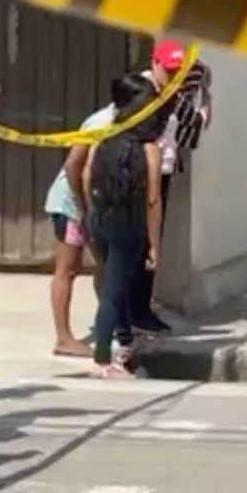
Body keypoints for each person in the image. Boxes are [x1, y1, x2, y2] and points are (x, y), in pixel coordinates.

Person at [86, 75, 164, 378]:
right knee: (114, 292)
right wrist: (154, 244)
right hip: (128, 226)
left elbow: (86, 175)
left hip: (101, 219)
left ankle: (124, 343)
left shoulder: (105, 136)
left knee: (112, 283)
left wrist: (90, 212)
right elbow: (153, 200)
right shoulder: (148, 148)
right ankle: (102, 358)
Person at [134, 39, 211, 333]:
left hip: (162, 172)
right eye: (169, 70)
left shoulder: (176, 96)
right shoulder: (142, 91)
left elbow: (196, 127)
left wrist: (204, 96)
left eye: (177, 72)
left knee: (153, 247)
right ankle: (132, 312)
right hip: (140, 175)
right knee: (139, 246)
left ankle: (143, 309)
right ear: (154, 63)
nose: (173, 76)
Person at [46, 80, 121, 359]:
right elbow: (73, 166)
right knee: (68, 269)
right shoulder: (102, 122)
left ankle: (109, 322)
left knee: (104, 262)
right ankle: (63, 337)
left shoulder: (126, 120)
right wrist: (82, 207)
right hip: (71, 204)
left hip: (92, 203)